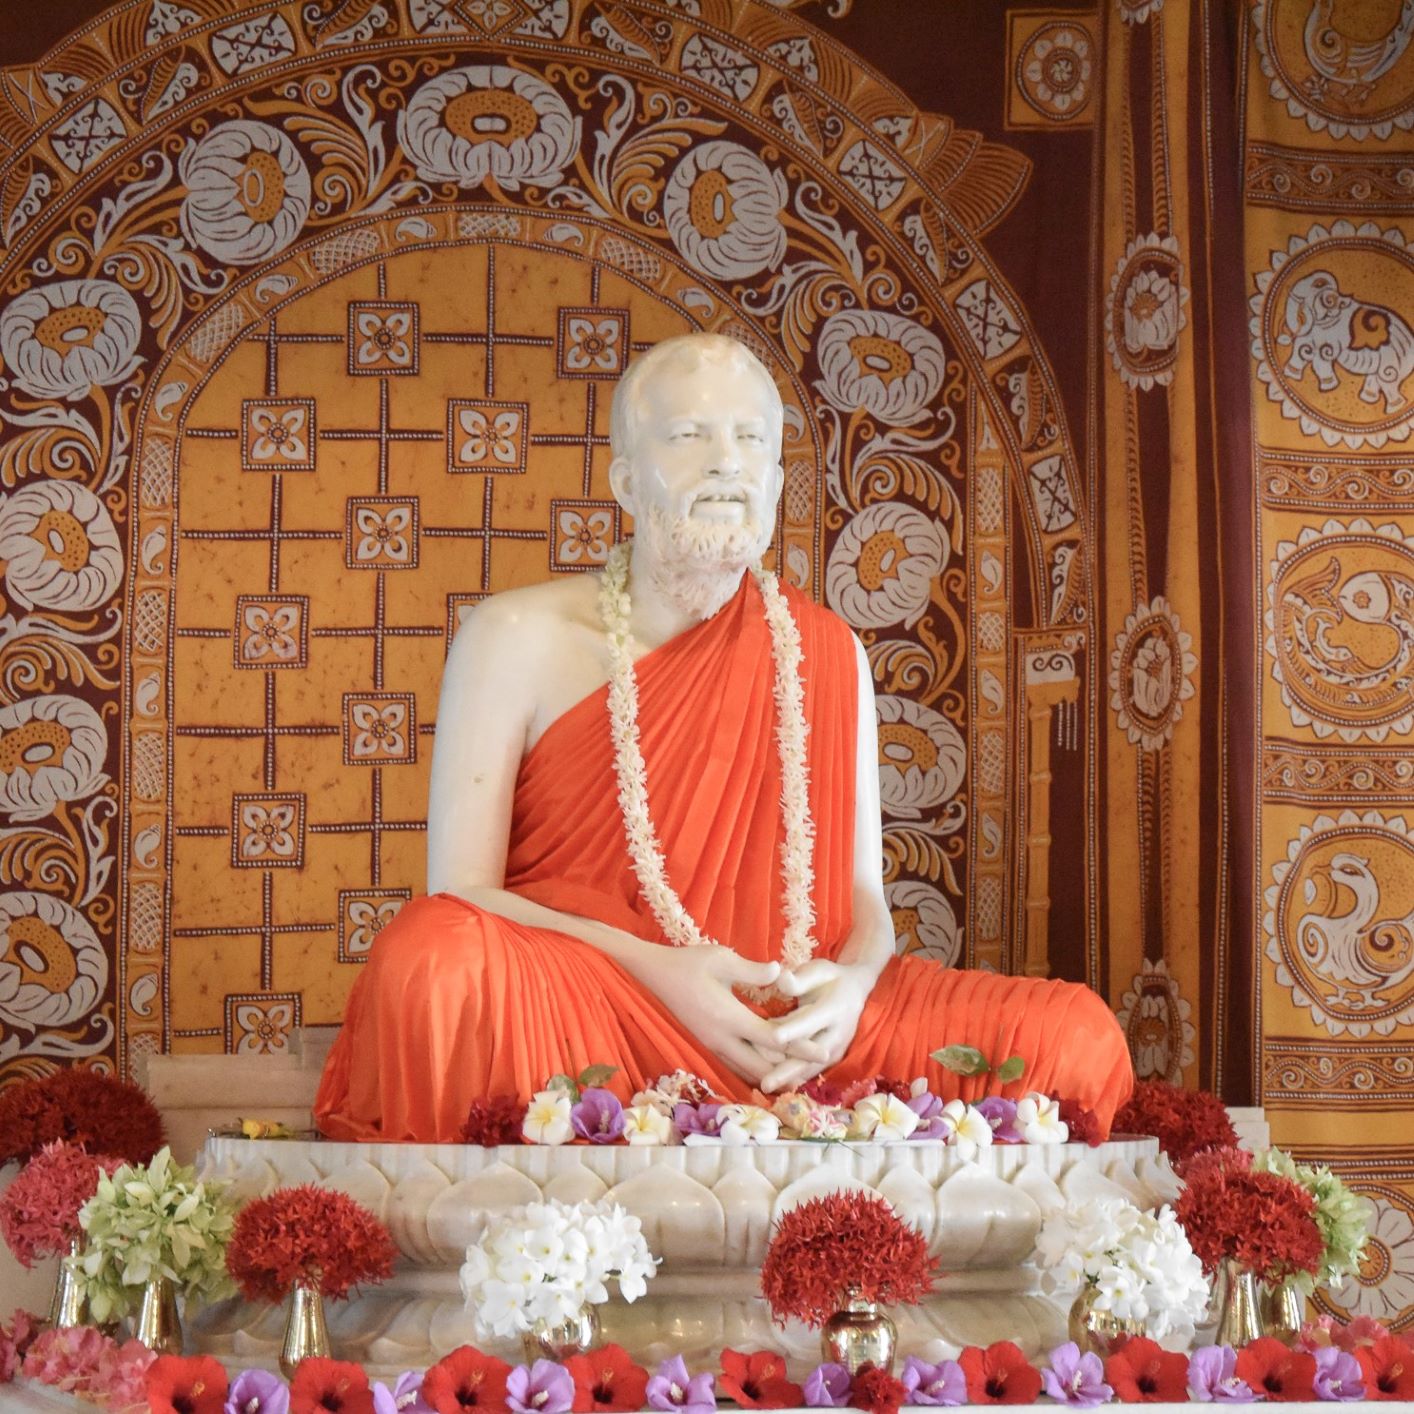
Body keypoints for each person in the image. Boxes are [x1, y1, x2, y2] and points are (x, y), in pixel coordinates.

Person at [314, 334, 1133, 1143]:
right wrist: (664, 974)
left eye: (749, 439)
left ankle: (765, 1102)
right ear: (627, 481)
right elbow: (463, 891)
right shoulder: (516, 634)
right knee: (431, 959)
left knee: (1078, 1034)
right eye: (689, 435)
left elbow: (864, 904)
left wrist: (847, 993)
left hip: (799, 1034)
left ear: (776, 483)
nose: (725, 462)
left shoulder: (827, 648)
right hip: (600, 1006)